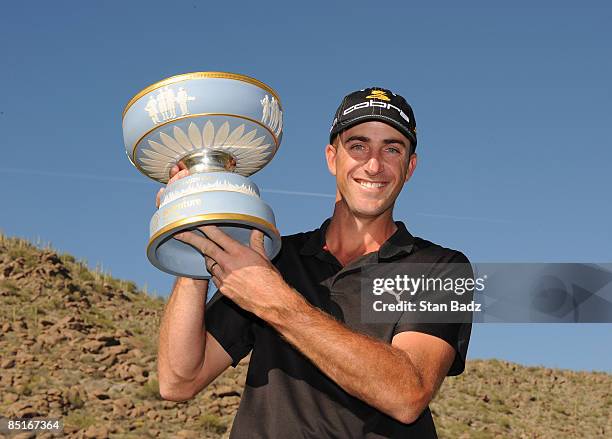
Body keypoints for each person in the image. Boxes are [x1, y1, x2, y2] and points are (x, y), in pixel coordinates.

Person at [157, 87, 473, 438]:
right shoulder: (273, 257)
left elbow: (407, 394)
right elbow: (178, 380)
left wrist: (275, 300)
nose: (374, 164)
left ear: (409, 167)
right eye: (358, 146)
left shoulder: (442, 268)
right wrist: (195, 235)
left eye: (392, 149)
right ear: (331, 157)